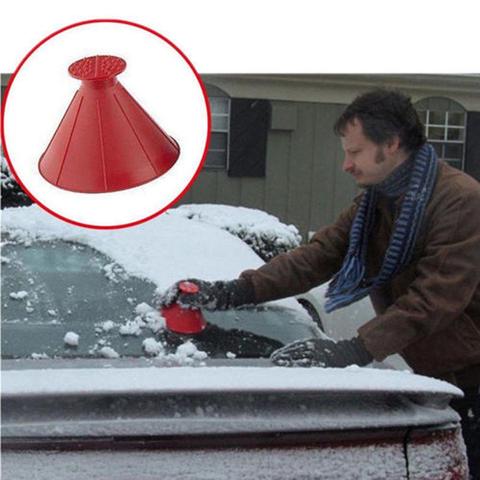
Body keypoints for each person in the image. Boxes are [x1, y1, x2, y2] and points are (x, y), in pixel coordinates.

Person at [162, 89, 480, 476]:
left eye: (355, 152)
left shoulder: (460, 201)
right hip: (440, 376)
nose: (346, 164)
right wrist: (231, 292)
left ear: (392, 144)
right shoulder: (375, 204)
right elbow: (316, 257)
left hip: (474, 376)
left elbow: (435, 298)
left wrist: (354, 350)